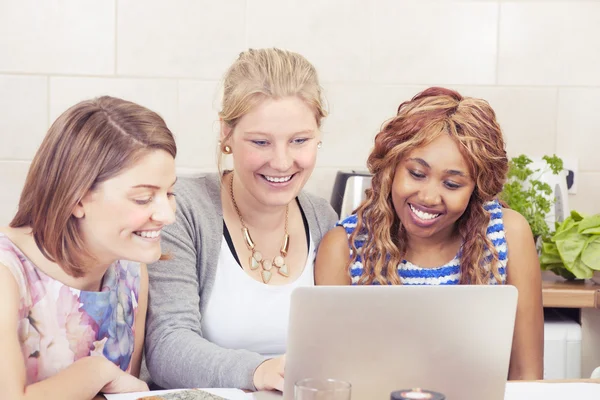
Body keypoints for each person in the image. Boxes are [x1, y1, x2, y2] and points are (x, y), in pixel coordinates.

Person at [315, 87, 544, 380]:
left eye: (452, 184)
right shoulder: (344, 247)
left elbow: (528, 376)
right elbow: (335, 380)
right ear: (392, 168)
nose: (429, 197)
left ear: (476, 189)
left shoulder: (508, 235)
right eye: (417, 174)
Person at [144, 48, 338, 392]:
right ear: (226, 133)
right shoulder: (182, 209)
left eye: (299, 141)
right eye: (261, 142)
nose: (281, 162)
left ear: (318, 134)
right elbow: (167, 346)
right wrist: (259, 370)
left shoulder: (322, 218)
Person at [0, 96, 178, 399]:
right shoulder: (8, 274)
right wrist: (98, 371)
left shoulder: (132, 272)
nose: (167, 215)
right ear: (78, 199)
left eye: (170, 192)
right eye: (143, 198)